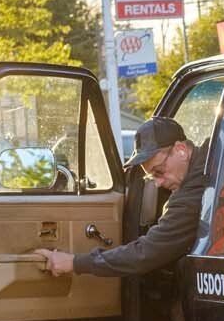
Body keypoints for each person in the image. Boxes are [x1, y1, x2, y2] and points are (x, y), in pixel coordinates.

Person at [35, 116, 206, 278]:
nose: (158, 183)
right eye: (151, 177)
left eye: (159, 171)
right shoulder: (213, 161)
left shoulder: (190, 194)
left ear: (181, 151)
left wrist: (75, 263)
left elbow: (147, 253)